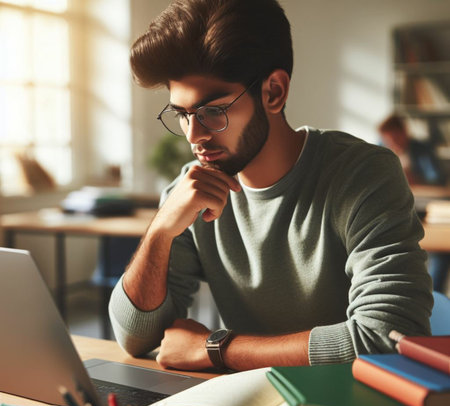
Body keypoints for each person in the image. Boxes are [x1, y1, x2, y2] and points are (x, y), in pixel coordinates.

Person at [109, 0, 433, 372]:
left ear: (274, 92)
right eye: (182, 115)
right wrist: (160, 231)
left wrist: (218, 348)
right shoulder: (191, 191)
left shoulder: (364, 175)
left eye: (213, 111)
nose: (194, 136)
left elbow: (388, 338)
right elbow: (135, 339)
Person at [379, 114, 449, 293]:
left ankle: (433, 295)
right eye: (388, 139)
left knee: (440, 252)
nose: (392, 142)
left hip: (425, 207)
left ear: (404, 132)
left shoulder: (421, 150)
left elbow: (437, 179)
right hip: (393, 208)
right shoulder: (379, 150)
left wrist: (413, 178)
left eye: (395, 137)